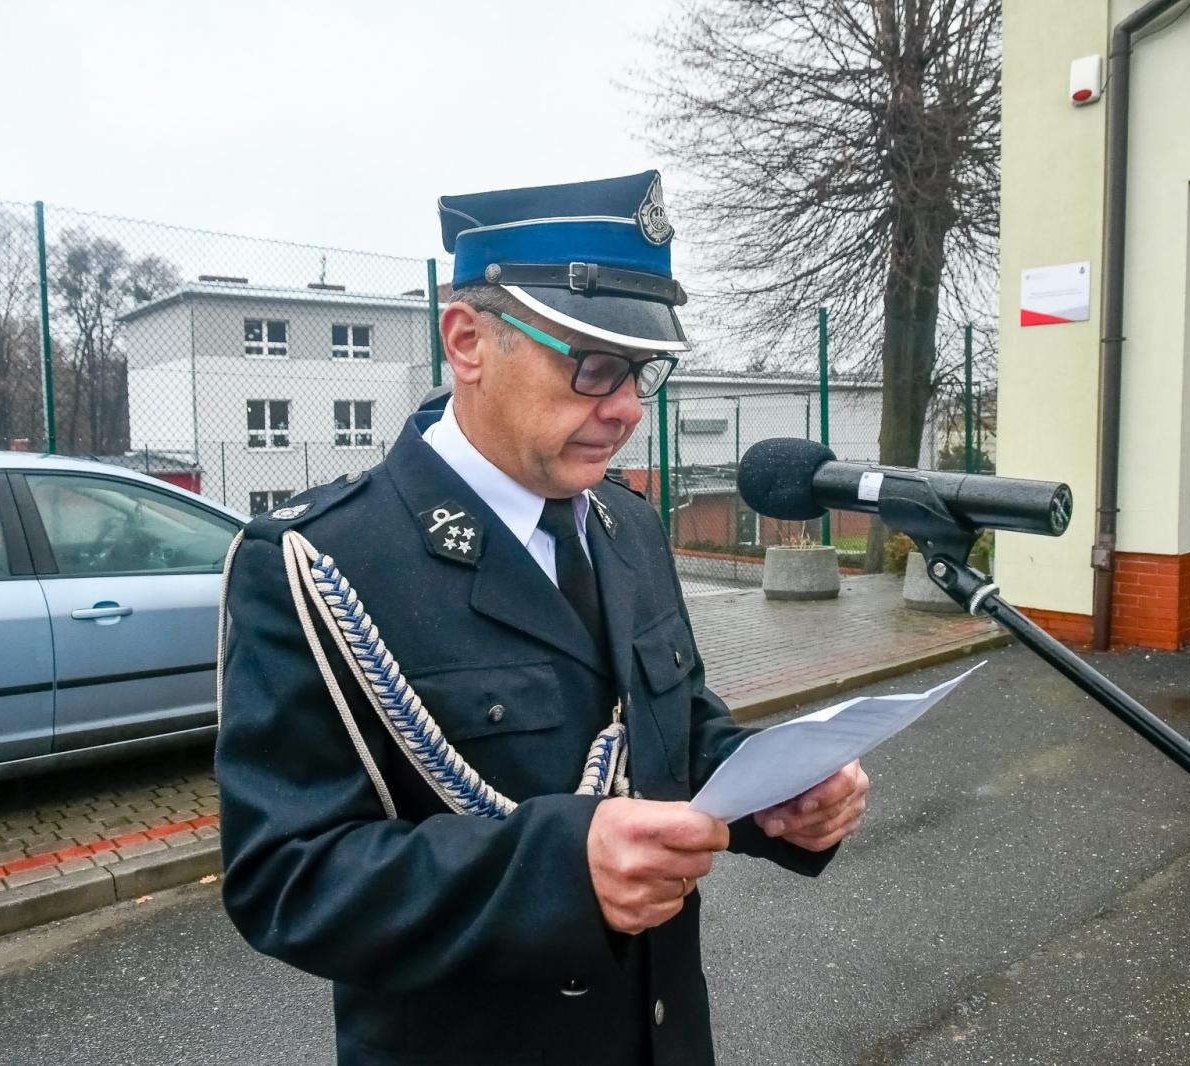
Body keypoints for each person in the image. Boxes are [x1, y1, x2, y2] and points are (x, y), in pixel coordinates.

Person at [216, 171, 871, 1066]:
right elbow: (283, 878)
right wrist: (560, 874)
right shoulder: (326, 559)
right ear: (468, 341)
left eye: (640, 370)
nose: (629, 408)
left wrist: (774, 794)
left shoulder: (628, 526)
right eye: (592, 364)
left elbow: (673, 732)